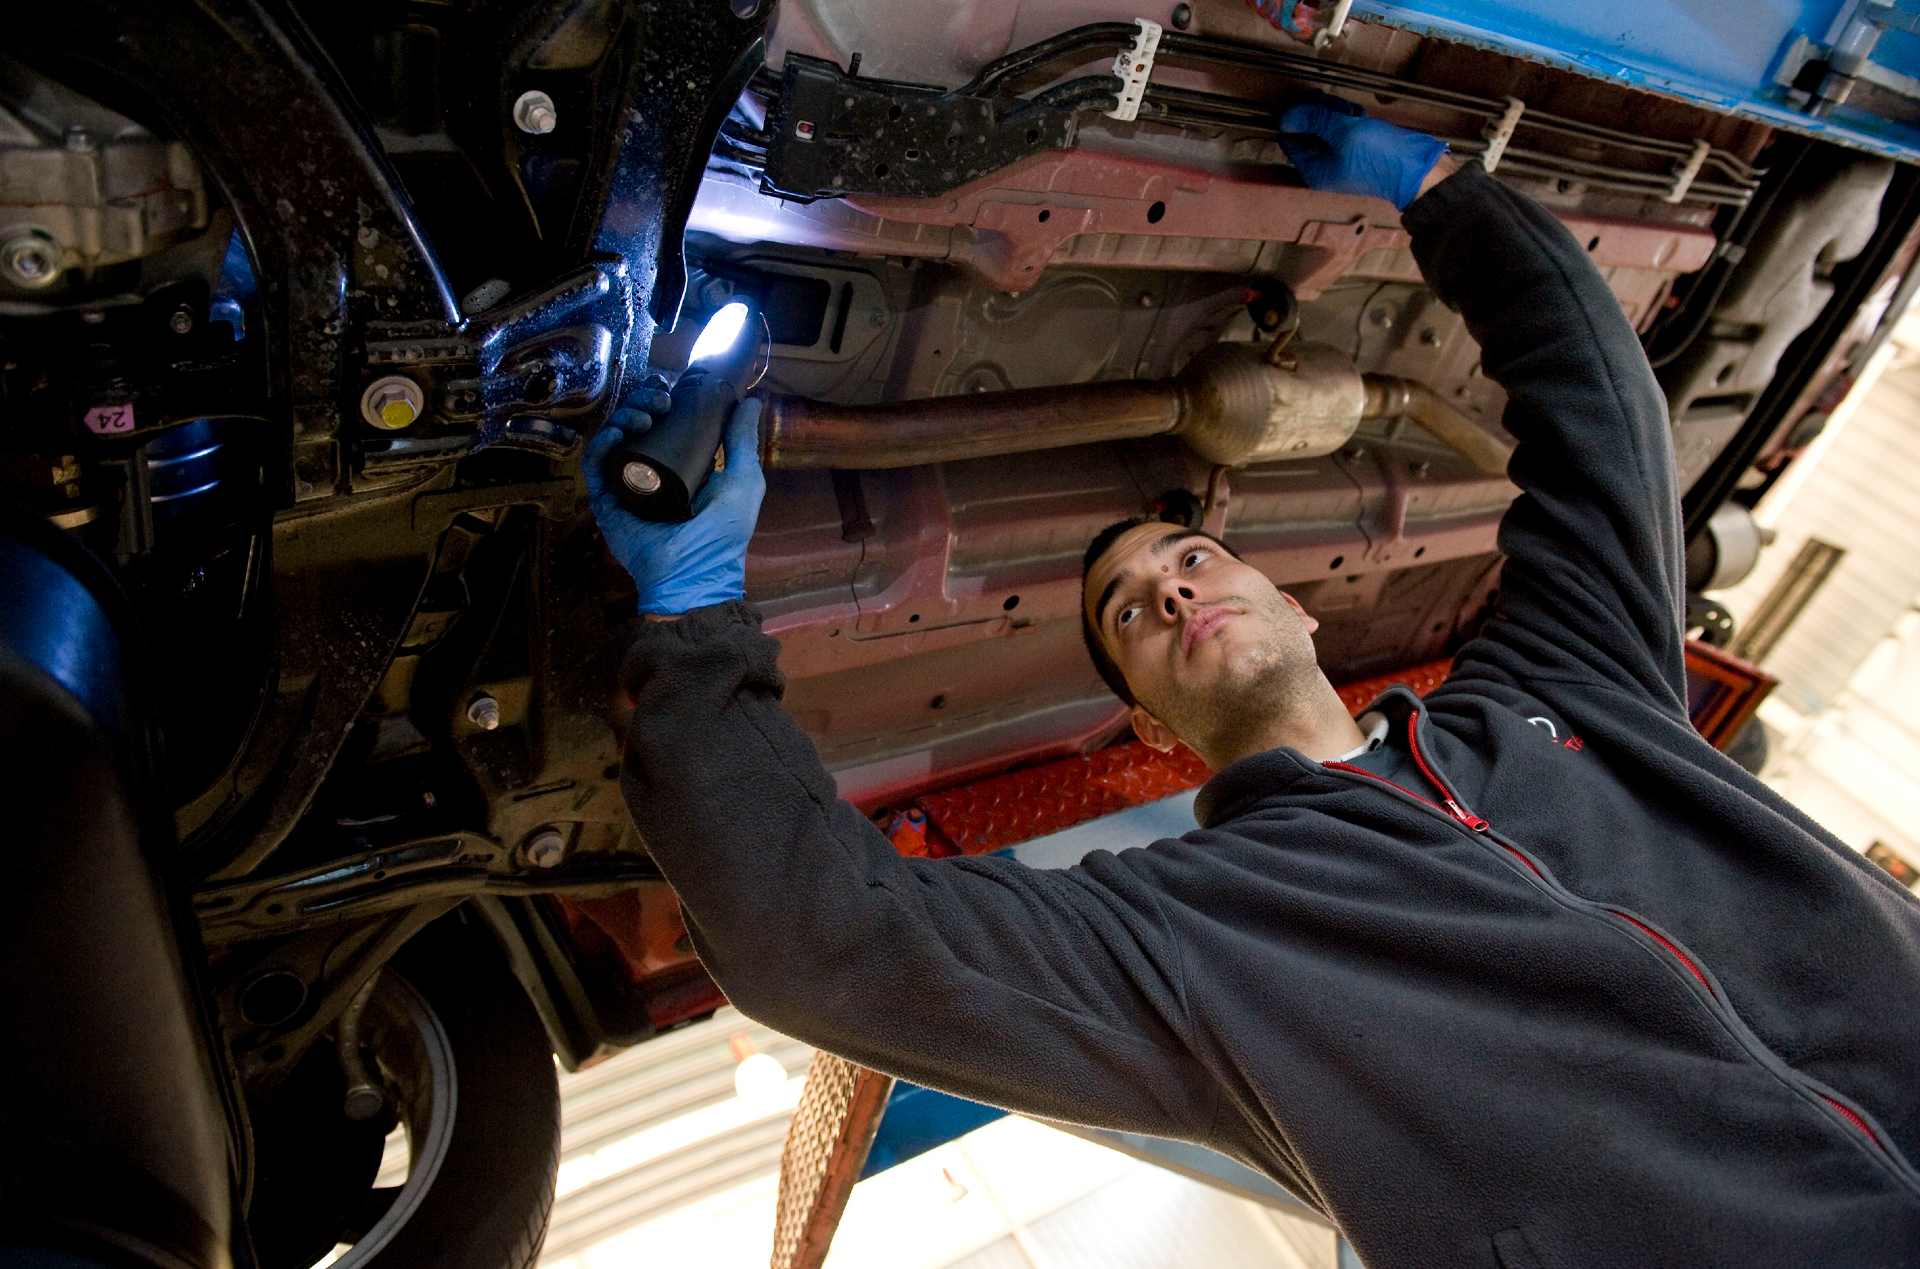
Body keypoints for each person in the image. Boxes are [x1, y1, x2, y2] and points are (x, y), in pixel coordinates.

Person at [585, 104, 1920, 1266]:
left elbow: (1600, 407)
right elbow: (828, 940)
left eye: (1195, 554)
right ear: (1151, 725)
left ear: (1297, 601)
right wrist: (695, 611)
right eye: (1129, 611)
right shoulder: (1197, 944)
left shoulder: (1571, 684)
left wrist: (1446, 198)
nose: (1170, 589)